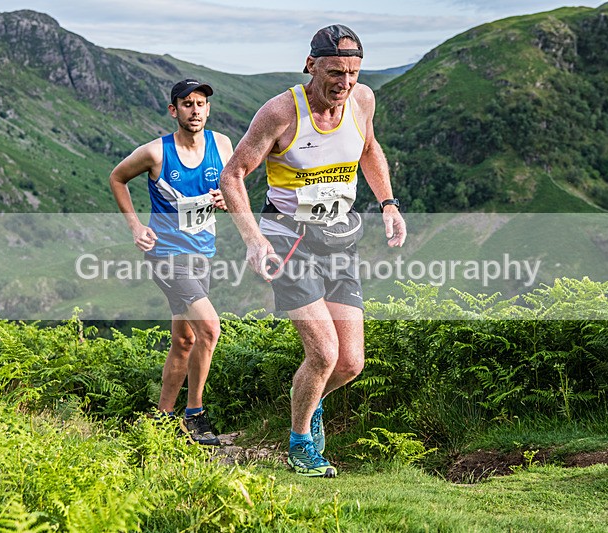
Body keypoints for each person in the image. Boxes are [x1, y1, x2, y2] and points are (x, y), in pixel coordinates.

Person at [220, 25, 407, 476]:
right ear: (311, 65)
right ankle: (301, 444)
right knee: (323, 354)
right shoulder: (281, 112)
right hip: (289, 240)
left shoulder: (362, 101)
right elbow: (232, 176)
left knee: (350, 363)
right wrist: (253, 238)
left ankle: (310, 400)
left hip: (340, 238)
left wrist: (388, 203)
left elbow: (368, 148)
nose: (345, 83)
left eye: (354, 73)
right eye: (336, 72)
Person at [109, 79, 234, 445]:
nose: (195, 111)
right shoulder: (155, 153)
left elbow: (231, 184)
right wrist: (135, 226)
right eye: (187, 104)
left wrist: (225, 198)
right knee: (210, 329)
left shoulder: (222, 145)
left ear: (208, 109)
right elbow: (117, 178)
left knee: (185, 339)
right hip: (165, 254)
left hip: (202, 254)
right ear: (173, 110)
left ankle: (161, 421)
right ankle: (193, 415)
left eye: (201, 104)